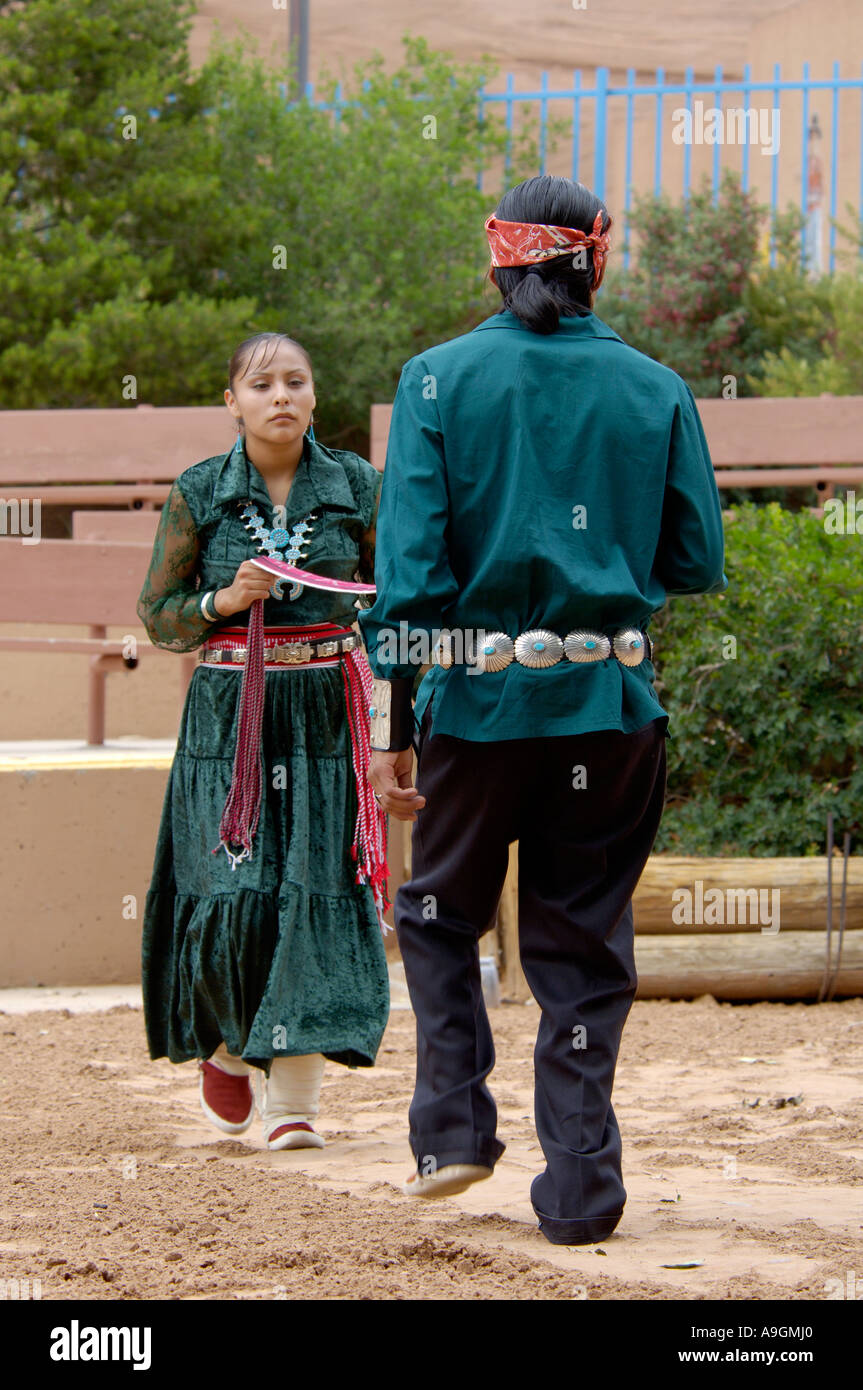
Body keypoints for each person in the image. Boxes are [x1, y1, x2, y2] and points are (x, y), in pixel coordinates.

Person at [358, 175, 727, 1245]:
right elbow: (693, 558)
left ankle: (450, 1129)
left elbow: (412, 583)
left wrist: (393, 730)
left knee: (434, 914)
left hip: (477, 709)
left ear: (498, 260)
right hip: (612, 706)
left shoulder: (435, 383)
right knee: (578, 946)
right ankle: (577, 1191)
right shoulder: (654, 387)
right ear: (592, 260)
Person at [138, 332, 390, 1151]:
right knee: (228, 888)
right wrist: (220, 600)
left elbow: (395, 599)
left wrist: (396, 719)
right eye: (260, 384)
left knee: (316, 883)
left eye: (295, 382)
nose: (279, 396)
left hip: (324, 711)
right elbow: (159, 614)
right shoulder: (201, 490)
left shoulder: (358, 484)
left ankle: (294, 1098)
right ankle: (221, 1046)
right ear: (232, 402)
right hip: (227, 716)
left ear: (315, 396)